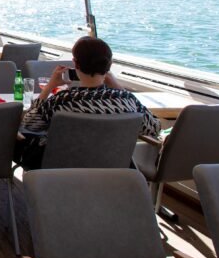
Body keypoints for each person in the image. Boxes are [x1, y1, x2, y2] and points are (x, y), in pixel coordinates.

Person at [16, 36, 160, 169]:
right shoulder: (128, 101)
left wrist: (48, 88)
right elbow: (154, 127)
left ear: (76, 64)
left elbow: (29, 124)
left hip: (62, 168)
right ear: (109, 65)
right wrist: (118, 87)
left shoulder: (61, 101)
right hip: (112, 168)